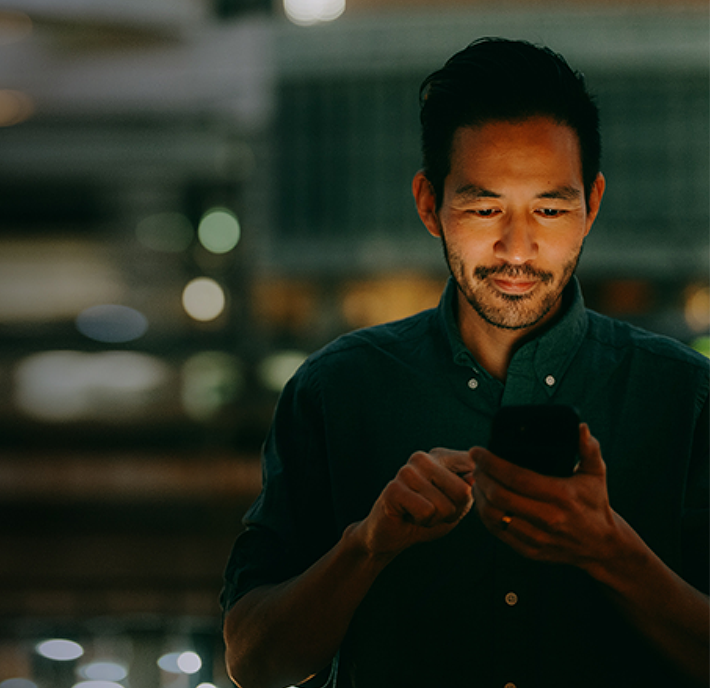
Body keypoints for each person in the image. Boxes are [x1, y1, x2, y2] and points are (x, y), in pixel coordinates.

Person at [221, 37, 709, 688]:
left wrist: (610, 550)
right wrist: (368, 545)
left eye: (550, 208)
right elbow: (254, 663)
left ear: (591, 206)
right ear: (430, 205)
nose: (517, 246)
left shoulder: (686, 398)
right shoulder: (338, 389)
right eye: (484, 208)